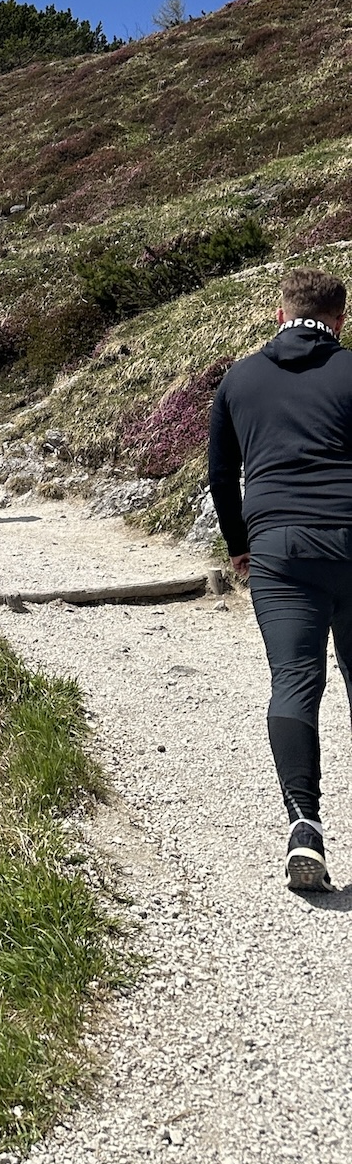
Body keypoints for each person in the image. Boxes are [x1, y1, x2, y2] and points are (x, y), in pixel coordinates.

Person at [209, 266, 352, 892]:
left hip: (280, 548)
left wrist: (240, 546)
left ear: (279, 314)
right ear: (340, 318)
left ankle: (305, 827)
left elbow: (221, 476)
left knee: (295, 681)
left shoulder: (240, 378)